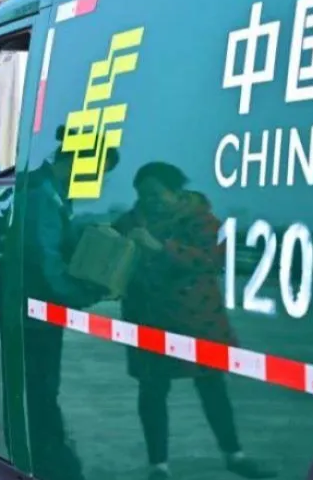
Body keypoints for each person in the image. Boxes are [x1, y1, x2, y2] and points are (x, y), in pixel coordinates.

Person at [113, 162, 275, 480]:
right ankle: (158, 465)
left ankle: (234, 455)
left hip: (197, 318)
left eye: (157, 194)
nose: (151, 201)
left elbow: (212, 260)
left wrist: (161, 248)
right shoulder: (131, 222)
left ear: (177, 192)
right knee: (152, 390)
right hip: (148, 319)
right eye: (144, 195)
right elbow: (109, 252)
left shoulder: (202, 219)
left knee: (212, 386)